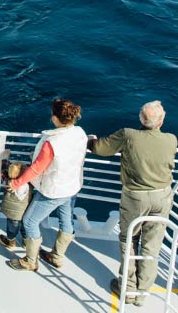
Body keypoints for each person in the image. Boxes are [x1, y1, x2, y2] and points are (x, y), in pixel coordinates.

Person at [88, 100, 177, 307]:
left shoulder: (128, 135)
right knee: (152, 244)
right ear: (161, 120)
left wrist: (90, 141)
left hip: (136, 197)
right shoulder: (171, 139)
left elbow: (101, 148)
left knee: (129, 239)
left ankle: (127, 288)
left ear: (140, 118)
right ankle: (143, 292)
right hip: (162, 196)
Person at [7, 98, 87, 272]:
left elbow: (36, 169)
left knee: (29, 221)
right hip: (72, 186)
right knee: (66, 220)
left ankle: (30, 260)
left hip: (54, 190)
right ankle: (57, 257)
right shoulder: (80, 133)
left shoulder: (53, 143)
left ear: (56, 118)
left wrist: (17, 183)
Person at [0, 161, 31, 249]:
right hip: (24, 212)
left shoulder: (9, 182)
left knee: (12, 228)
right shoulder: (29, 183)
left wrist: (4, 159)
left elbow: (4, 171)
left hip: (12, 213)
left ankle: (11, 242)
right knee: (25, 228)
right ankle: (26, 243)